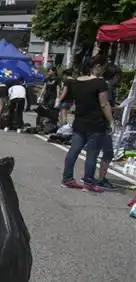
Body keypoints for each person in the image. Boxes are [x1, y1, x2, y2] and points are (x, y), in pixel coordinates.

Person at [59, 59, 115, 192]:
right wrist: (111, 121)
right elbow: (104, 104)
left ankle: (67, 179)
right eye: (102, 68)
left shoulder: (76, 82)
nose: (103, 71)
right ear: (97, 67)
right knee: (92, 153)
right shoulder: (100, 83)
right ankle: (88, 182)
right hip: (96, 123)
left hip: (79, 121)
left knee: (74, 150)